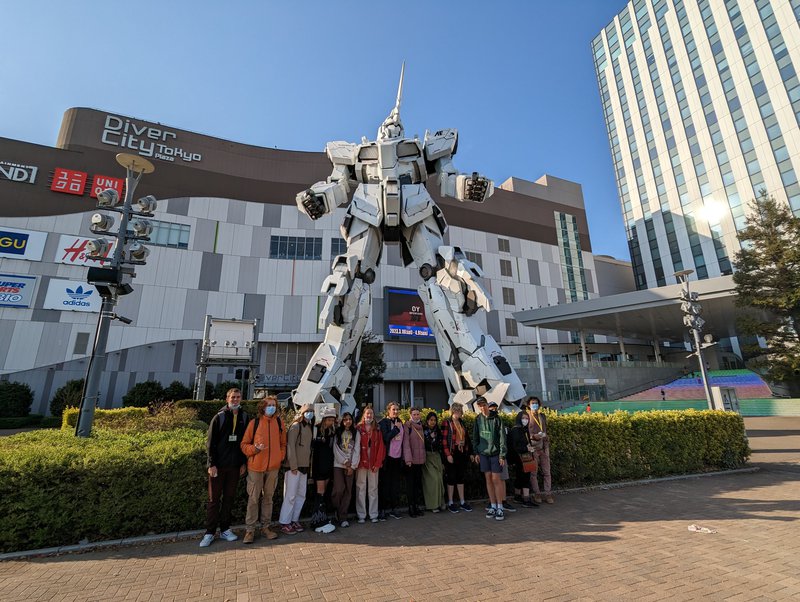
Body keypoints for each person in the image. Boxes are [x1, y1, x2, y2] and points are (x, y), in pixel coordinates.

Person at [200, 388, 249, 547]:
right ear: (227, 399)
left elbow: (244, 442)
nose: (236, 400)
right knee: (214, 500)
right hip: (218, 466)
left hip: (234, 466)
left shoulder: (244, 416)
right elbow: (211, 442)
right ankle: (209, 532)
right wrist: (211, 464)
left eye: (238, 397)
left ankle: (225, 529)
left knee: (229, 498)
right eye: (233, 397)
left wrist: (243, 463)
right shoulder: (219, 417)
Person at [239, 395, 287, 543]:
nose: (271, 407)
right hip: (256, 467)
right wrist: (254, 449)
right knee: (253, 499)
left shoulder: (279, 423)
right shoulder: (254, 423)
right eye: (269, 405)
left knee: (268, 499)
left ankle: (266, 527)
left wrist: (280, 456)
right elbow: (244, 444)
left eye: (274, 405)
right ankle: (250, 530)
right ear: (263, 407)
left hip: (273, 467)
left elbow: (283, 443)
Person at [278, 403, 314, 535]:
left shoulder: (309, 427)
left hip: (304, 467)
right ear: (302, 413)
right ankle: (285, 522)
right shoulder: (295, 427)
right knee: (290, 495)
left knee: (301, 495)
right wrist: (292, 465)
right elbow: (290, 447)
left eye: (311, 411)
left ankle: (294, 519)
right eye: (307, 411)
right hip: (294, 467)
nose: (309, 413)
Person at [472, 397, 507, 521]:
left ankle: (500, 507)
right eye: (480, 405)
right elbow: (475, 437)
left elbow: (502, 437)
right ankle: (492, 506)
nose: (482, 407)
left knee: (496, 479)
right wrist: (476, 452)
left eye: (484, 405)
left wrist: (502, 454)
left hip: (496, 453)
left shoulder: (497, 419)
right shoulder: (477, 419)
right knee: (488, 479)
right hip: (483, 453)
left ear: (487, 405)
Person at [440, 402, 474, 513]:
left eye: (460, 411)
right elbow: (444, 441)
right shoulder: (447, 422)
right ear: (453, 411)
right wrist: (448, 455)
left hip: (461, 453)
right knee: (451, 477)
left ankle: (462, 501)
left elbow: (467, 438)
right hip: (452, 453)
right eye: (457, 410)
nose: (459, 413)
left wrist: (470, 452)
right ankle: (450, 502)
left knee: (460, 477)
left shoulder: (461, 422)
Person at [355, 406, 385, 523]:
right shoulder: (358, 428)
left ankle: (373, 514)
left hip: (373, 462)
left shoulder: (377, 429)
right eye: (367, 414)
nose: (369, 416)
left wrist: (378, 463)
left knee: (373, 489)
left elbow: (381, 447)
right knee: (360, 488)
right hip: (361, 461)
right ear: (363, 415)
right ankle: (361, 514)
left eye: (371, 414)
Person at [310, 407, 337, 531]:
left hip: (328, 465)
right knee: (319, 493)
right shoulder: (316, 429)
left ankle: (322, 517)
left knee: (324, 493)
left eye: (333, 419)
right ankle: (317, 520)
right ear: (324, 419)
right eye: (329, 419)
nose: (331, 422)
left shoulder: (332, 431)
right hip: (319, 466)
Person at [332, 412, 360, 528]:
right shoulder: (337, 432)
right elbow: (336, 448)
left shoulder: (356, 432)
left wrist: (352, 466)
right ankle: (336, 510)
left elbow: (357, 449)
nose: (348, 421)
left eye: (349, 419)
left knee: (348, 491)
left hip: (351, 465)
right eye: (345, 419)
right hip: (339, 464)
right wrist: (344, 462)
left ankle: (343, 517)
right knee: (339, 489)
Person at [378, 401, 405, 520]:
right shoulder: (383, 422)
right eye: (393, 409)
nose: (396, 411)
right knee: (385, 484)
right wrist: (396, 429)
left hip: (397, 458)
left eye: (397, 409)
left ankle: (395, 508)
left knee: (395, 485)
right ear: (388, 411)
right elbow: (386, 438)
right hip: (387, 458)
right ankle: (382, 509)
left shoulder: (400, 422)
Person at [510, 410, 538, 508]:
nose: (525, 420)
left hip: (520, 457)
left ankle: (517, 496)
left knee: (520, 477)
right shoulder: (517, 430)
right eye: (523, 418)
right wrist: (527, 448)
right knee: (526, 477)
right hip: (522, 457)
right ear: (519, 418)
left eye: (527, 418)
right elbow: (515, 445)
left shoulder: (522, 429)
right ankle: (526, 499)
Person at [528, 398, 553, 504]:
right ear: (529, 405)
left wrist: (546, 446)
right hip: (533, 449)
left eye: (536, 403)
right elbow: (525, 434)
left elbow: (545, 431)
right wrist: (534, 436)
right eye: (532, 403)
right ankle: (537, 493)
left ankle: (548, 493)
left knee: (547, 472)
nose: (535, 405)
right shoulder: (526, 416)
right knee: (533, 473)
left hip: (543, 448)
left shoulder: (542, 416)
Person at [403, 407, 426, 517]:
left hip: (420, 461)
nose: (416, 416)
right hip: (411, 461)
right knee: (410, 485)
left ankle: (416, 506)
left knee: (417, 485)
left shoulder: (422, 426)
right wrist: (408, 459)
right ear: (410, 415)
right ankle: (411, 507)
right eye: (414, 414)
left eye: (418, 414)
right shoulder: (408, 426)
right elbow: (406, 444)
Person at [421, 411, 445, 513]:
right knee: (433, 480)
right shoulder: (423, 430)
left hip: (437, 456)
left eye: (434, 420)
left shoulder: (438, 431)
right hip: (427, 457)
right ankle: (432, 505)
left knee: (439, 479)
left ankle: (440, 503)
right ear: (427, 421)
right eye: (431, 420)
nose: (433, 422)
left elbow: (441, 446)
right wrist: (430, 438)